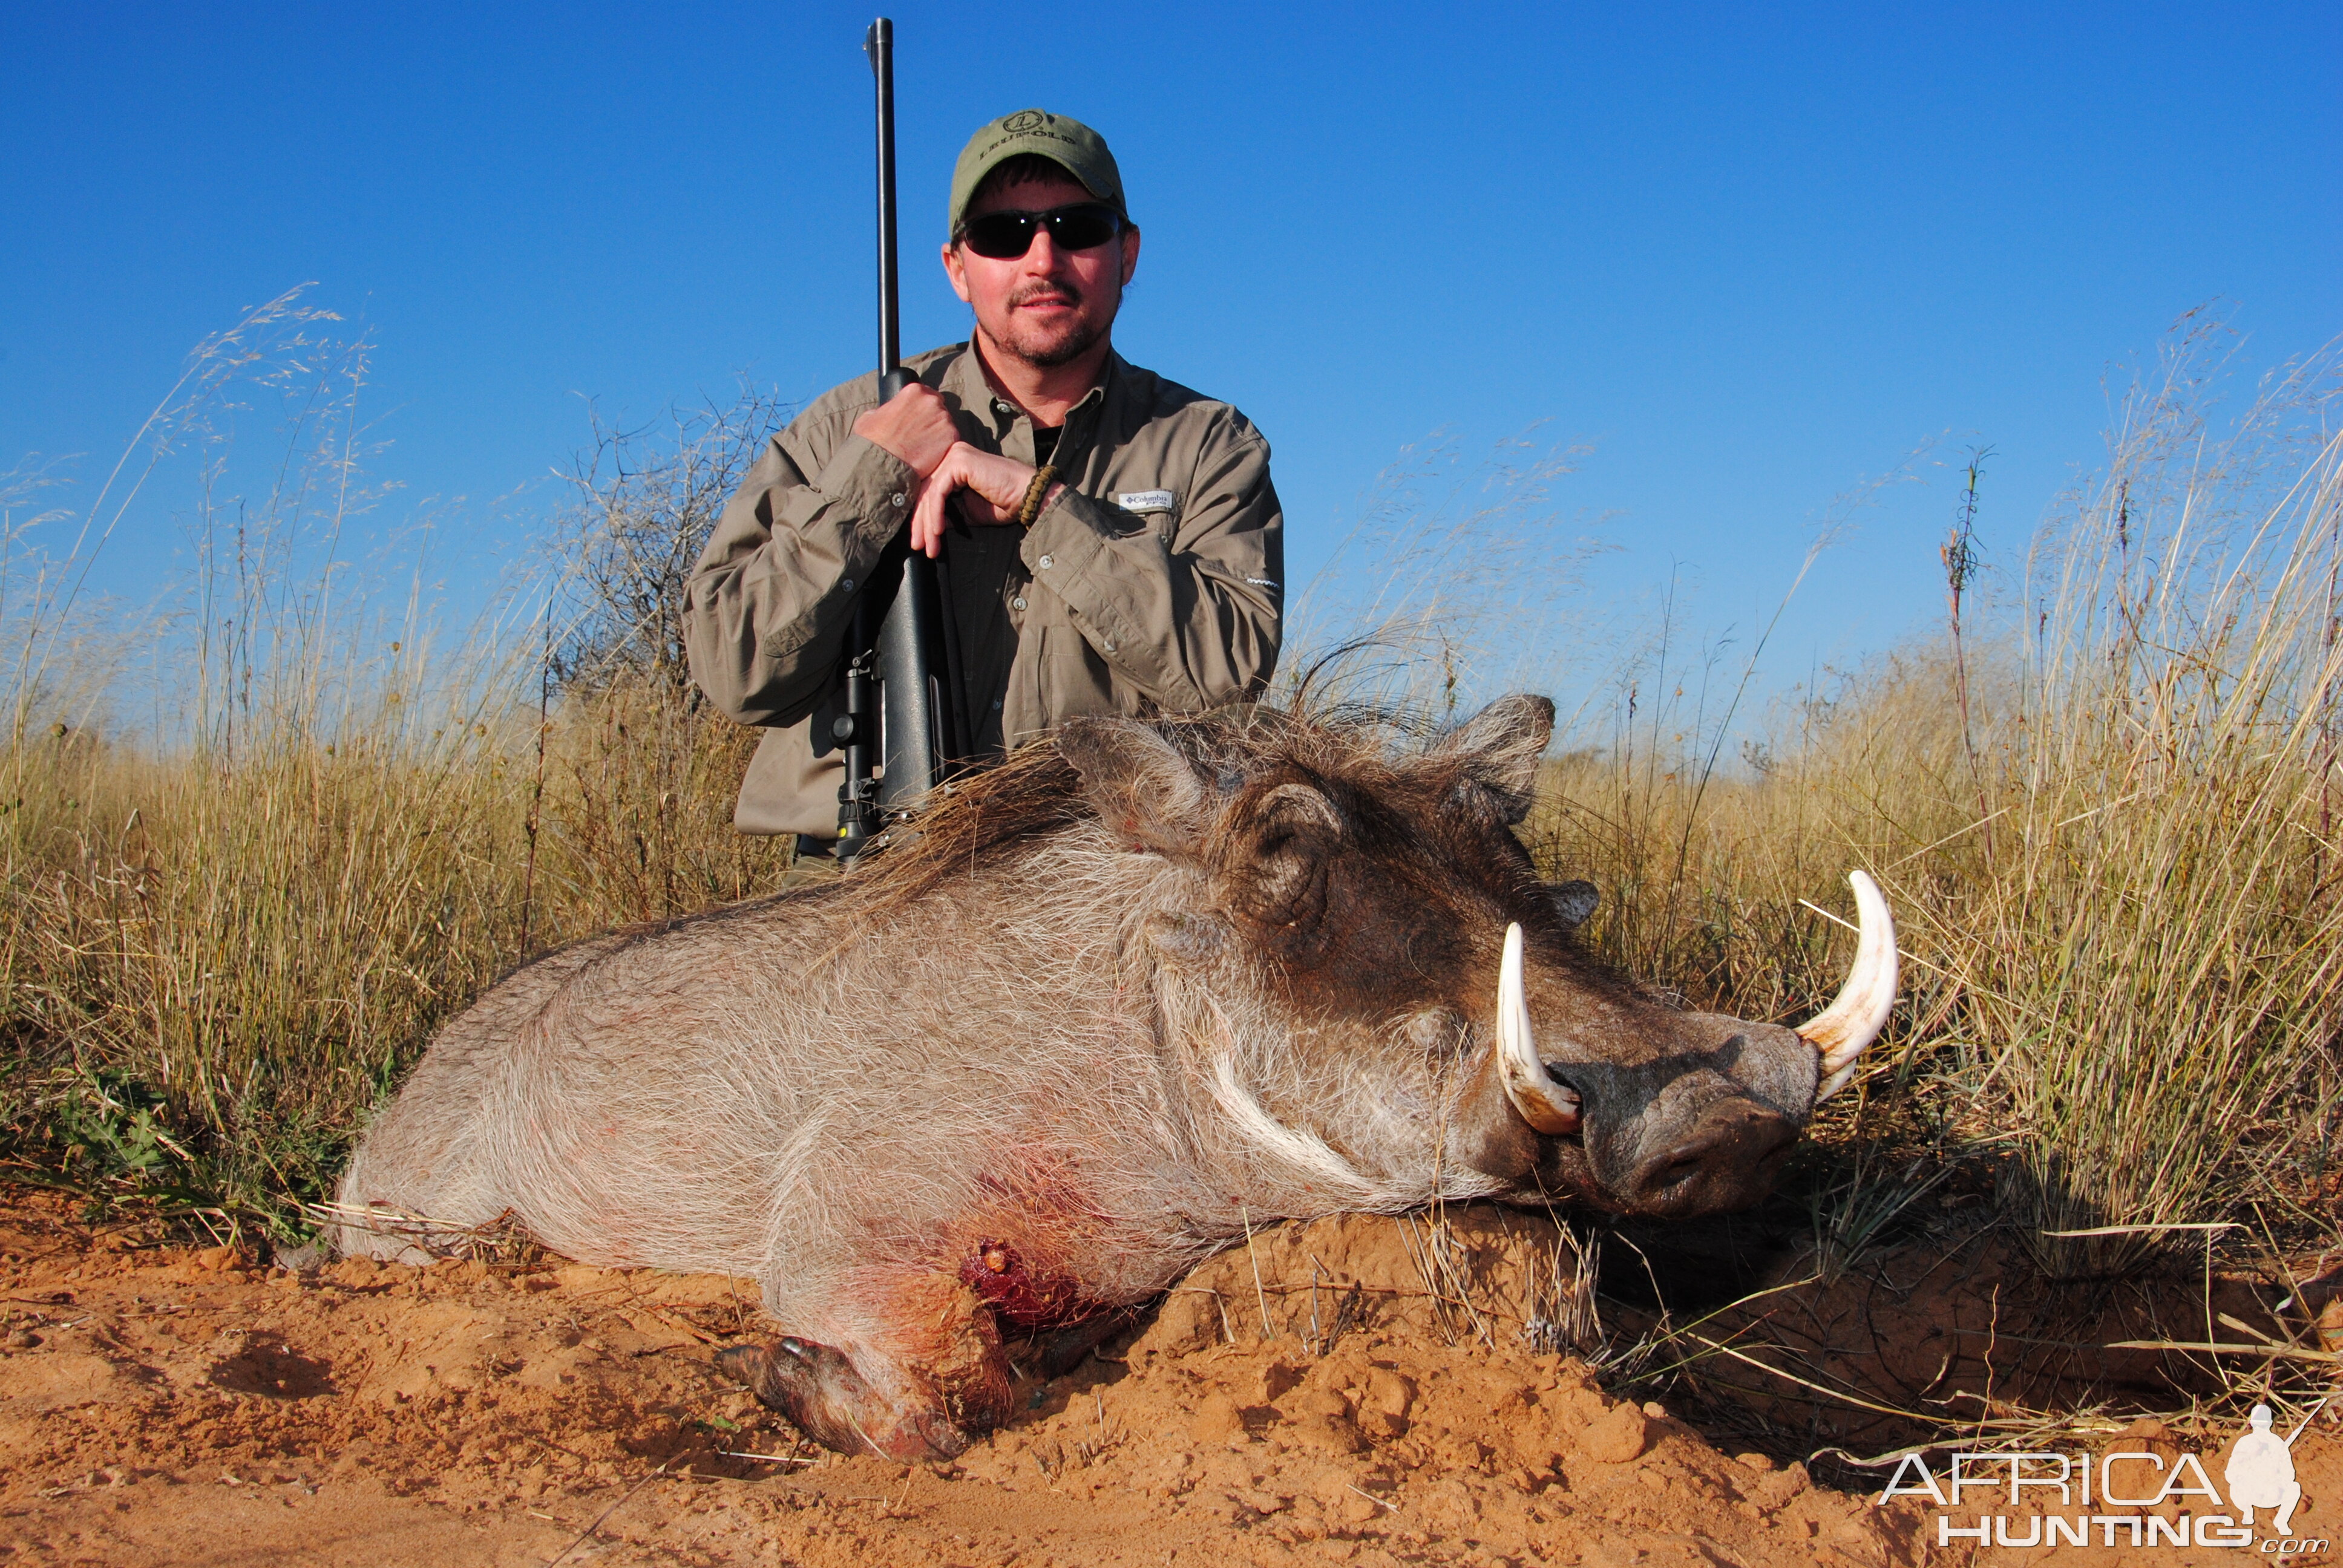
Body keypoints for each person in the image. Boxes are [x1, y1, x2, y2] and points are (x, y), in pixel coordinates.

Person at [684, 109, 1283, 841]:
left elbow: (1228, 678)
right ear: (957, 268)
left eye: (1077, 228)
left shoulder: (1209, 443)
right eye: (1003, 235)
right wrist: (873, 477)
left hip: (1098, 894)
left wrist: (1046, 505)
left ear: (1125, 254)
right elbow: (735, 670)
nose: (1041, 261)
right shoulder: (848, 426)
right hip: (862, 884)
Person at [2224, 1403, 2302, 1535]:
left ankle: (2281, 1521)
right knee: (2235, 1487)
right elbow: (2231, 1474)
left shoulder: (2277, 1443)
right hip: (2250, 1492)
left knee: (2294, 1488)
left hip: (2272, 1492)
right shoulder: (2245, 1443)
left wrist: (2274, 1473)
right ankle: (2247, 1513)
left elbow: (2290, 1474)